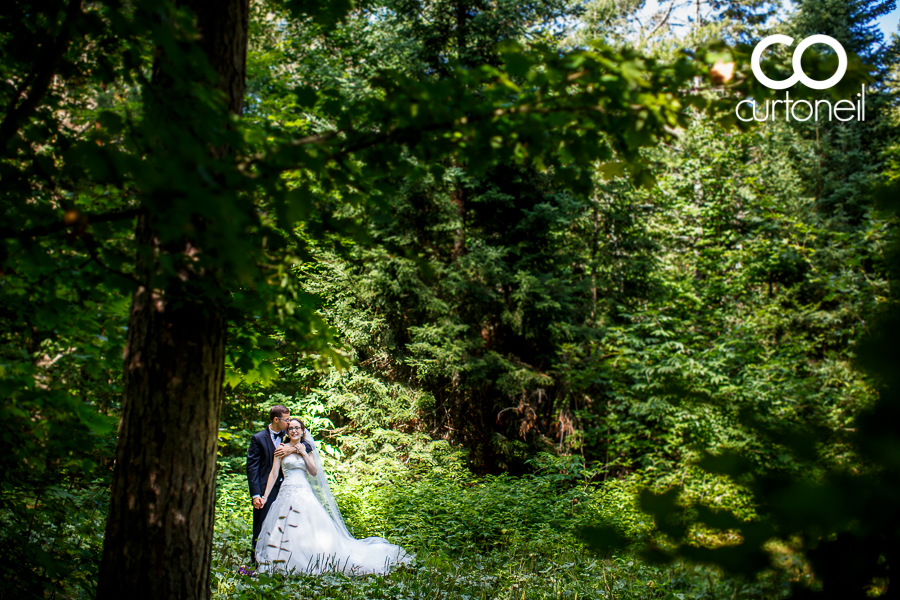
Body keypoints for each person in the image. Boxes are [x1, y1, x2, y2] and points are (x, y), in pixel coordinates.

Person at [255, 418, 412, 575]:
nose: (294, 431)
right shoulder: (281, 449)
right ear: (287, 432)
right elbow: (274, 473)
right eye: (291, 428)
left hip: (303, 491)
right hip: (286, 492)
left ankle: (312, 560)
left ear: (303, 431)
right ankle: (283, 561)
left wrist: (303, 453)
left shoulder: (305, 448)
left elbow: (313, 471)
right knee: (284, 525)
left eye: (297, 428)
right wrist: (266, 496)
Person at [246, 404, 301, 562]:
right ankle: (255, 562)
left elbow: (308, 445)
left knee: (288, 524)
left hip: (288, 487)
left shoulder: (290, 434)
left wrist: (291, 450)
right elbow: (252, 468)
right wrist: (256, 494)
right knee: (261, 525)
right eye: (286, 420)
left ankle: (283, 560)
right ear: (276, 419)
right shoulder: (258, 438)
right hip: (266, 490)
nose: (289, 423)